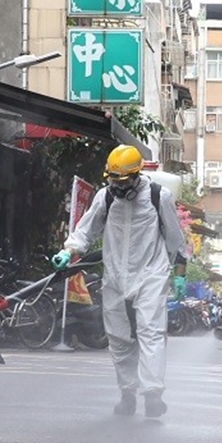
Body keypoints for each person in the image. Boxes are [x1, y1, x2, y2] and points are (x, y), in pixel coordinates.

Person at [51, 144, 189, 419]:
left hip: (151, 273)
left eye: (122, 181)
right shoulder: (106, 197)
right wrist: (68, 251)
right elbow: (86, 230)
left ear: (137, 175)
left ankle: (152, 394)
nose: (117, 186)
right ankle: (128, 394)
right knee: (119, 339)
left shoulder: (157, 197)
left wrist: (180, 274)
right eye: (113, 180)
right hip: (114, 276)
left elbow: (175, 238)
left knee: (151, 333)